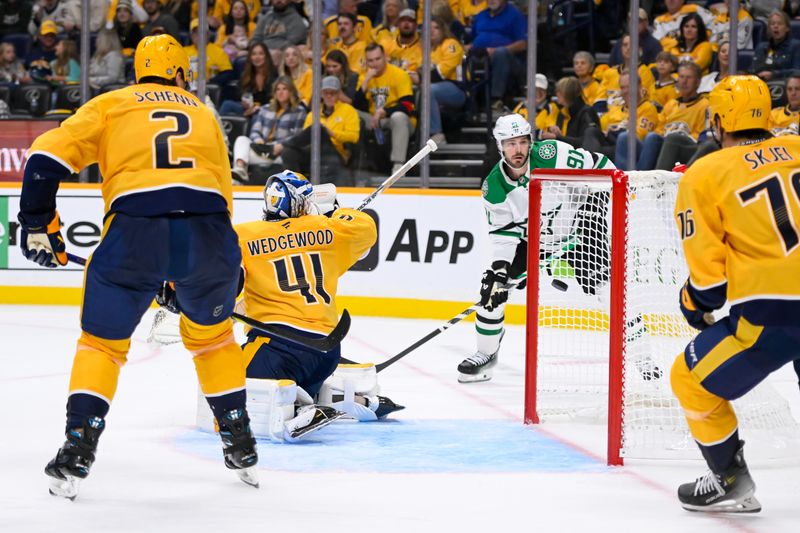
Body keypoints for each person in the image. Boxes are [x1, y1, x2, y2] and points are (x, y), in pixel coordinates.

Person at [18, 34, 258, 500]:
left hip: (134, 234)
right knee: (213, 341)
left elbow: (45, 156)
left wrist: (37, 221)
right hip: (210, 237)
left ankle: (78, 446)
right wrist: (194, 272)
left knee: (102, 346)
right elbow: (219, 199)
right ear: (180, 72)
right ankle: (240, 438)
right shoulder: (205, 113)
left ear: (139, 71)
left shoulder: (114, 103)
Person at [669, 75, 800, 513]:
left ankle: (729, 477)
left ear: (721, 120)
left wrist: (693, 304)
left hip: (771, 314)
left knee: (689, 381)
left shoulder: (706, 173)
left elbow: (709, 283)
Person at [235, 171, 403, 424]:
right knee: (299, 377)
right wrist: (334, 212)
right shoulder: (327, 230)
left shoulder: (244, 235)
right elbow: (365, 228)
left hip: (278, 348)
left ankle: (299, 409)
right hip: (326, 353)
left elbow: (226, 283)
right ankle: (349, 400)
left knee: (226, 385)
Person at [458, 113, 615, 383]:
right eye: (510, 143)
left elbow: (604, 167)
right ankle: (486, 354)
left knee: (608, 290)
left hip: (577, 232)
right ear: (499, 146)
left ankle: (643, 357)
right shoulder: (493, 186)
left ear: (531, 141)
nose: (517, 150)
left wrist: (595, 209)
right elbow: (503, 234)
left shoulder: (552, 153)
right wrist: (500, 269)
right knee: (491, 290)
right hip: (534, 244)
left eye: (522, 142)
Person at [273, 76, 360, 184]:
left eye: (332, 93)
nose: (329, 96)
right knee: (288, 152)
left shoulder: (348, 111)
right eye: (326, 93)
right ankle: (294, 185)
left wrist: (330, 133)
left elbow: (354, 137)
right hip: (314, 152)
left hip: (336, 152)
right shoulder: (314, 113)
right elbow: (305, 136)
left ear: (338, 94)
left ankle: (284, 144)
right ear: (322, 94)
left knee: (319, 129)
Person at [354, 43, 416, 175]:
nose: (374, 64)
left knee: (398, 116)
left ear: (385, 57)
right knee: (352, 113)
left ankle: (398, 166)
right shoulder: (365, 77)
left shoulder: (399, 74)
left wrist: (384, 112)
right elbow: (355, 105)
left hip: (397, 121)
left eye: (378, 59)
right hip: (374, 121)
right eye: (370, 60)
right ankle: (355, 166)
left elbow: (408, 105)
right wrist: (365, 82)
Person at [231, 75, 307, 183]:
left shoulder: (299, 111)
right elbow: (255, 130)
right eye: (278, 89)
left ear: (291, 92)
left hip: (279, 152)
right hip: (261, 149)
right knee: (241, 139)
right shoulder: (265, 109)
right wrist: (258, 140)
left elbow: (296, 136)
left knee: (288, 153)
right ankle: (240, 171)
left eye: (284, 89)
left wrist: (280, 145)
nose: (280, 92)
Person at [469, 0, 527, 111]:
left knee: (501, 53)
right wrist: (469, 47)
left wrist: (496, 51)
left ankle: (496, 99)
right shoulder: (481, 15)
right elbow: (473, 39)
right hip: (481, 57)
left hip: (510, 61)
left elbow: (523, 44)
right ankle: (468, 100)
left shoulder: (514, 15)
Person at [428, 15, 466, 146]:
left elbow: (441, 73)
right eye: (429, 28)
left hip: (457, 90)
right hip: (436, 88)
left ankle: (437, 134)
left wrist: (420, 76)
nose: (432, 31)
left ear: (443, 30)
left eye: (436, 28)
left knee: (428, 90)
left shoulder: (451, 44)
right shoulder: (427, 49)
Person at [219, 41, 276, 116]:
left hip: (265, 110)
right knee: (227, 104)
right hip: (248, 109)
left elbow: (273, 101)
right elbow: (240, 94)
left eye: (261, 54)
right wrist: (244, 102)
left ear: (266, 56)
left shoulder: (274, 75)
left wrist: (256, 108)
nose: (257, 57)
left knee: (256, 116)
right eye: (254, 54)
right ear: (250, 57)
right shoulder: (246, 75)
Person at [250, 0, 308, 66]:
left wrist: (266, 51)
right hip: (263, 51)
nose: (279, 0)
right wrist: (258, 51)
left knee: (275, 55)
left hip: (281, 54)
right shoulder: (265, 18)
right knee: (242, 58)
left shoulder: (296, 19)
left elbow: (290, 43)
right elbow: (256, 38)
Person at [752, 10, 800, 81]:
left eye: (780, 24)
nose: (776, 26)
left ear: (787, 28)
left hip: (784, 86)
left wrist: (774, 75)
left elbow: (797, 72)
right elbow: (752, 70)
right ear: (769, 28)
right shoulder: (761, 47)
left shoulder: (796, 46)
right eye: (772, 24)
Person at [185, 18, 234, 87]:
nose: (199, 35)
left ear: (208, 34)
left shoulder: (218, 51)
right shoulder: (183, 51)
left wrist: (210, 82)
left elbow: (227, 73)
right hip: (186, 90)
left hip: (209, 89)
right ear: (191, 35)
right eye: (196, 32)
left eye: (202, 32)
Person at [383, 8, 422, 84]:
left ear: (416, 25)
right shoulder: (386, 45)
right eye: (403, 20)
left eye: (410, 20)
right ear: (398, 24)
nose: (406, 23)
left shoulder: (423, 48)